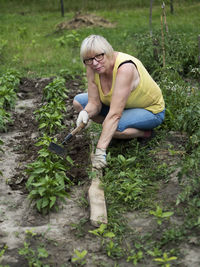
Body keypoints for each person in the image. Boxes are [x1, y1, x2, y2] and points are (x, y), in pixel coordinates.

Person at [73, 35, 165, 169]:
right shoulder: (92, 67)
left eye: (99, 56)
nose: (95, 63)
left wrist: (100, 151)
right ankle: (114, 127)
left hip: (149, 111)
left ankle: (145, 133)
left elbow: (115, 113)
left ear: (108, 52)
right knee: (79, 103)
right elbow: (94, 103)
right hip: (122, 106)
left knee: (112, 126)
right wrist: (86, 112)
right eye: (89, 59)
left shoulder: (125, 68)